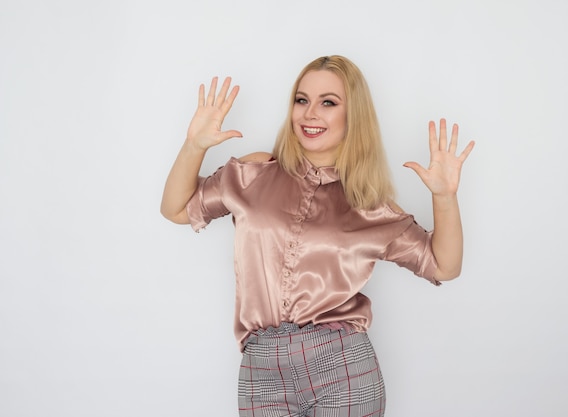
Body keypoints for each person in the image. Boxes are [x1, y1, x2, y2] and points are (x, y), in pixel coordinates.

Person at [161, 55, 474, 417]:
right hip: (261, 369)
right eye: (301, 100)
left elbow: (443, 266)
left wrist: (445, 197)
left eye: (328, 102)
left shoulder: (370, 206)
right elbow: (177, 209)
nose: (310, 113)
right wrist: (194, 145)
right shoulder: (256, 173)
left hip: (342, 367)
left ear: (353, 116)